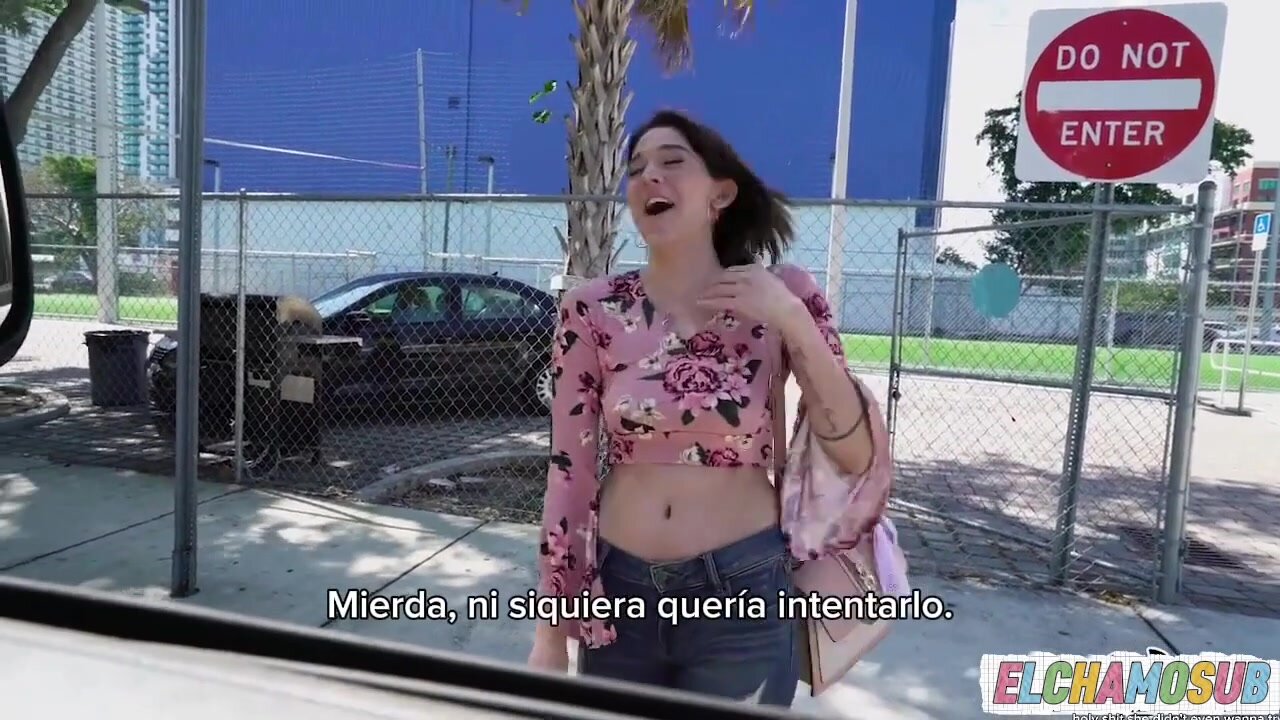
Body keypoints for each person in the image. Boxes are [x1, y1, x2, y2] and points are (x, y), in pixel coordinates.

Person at [527, 109, 888, 707]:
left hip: (744, 589)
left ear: (721, 194)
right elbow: (569, 472)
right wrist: (550, 633)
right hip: (620, 593)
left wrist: (791, 319)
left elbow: (852, 453)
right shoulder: (591, 310)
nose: (649, 177)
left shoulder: (784, 294)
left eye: (672, 162)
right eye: (636, 169)